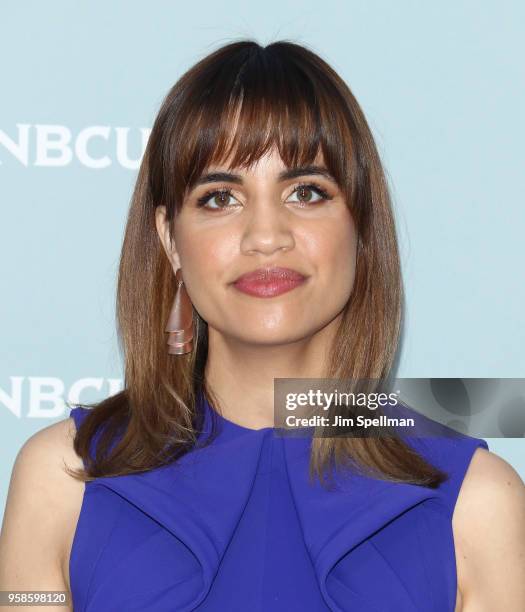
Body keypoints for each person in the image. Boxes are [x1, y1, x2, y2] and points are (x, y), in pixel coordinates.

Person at [1, 39, 524, 612]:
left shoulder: (476, 503)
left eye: (306, 192)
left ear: (361, 229)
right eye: (220, 197)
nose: (265, 235)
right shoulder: (63, 481)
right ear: (170, 240)